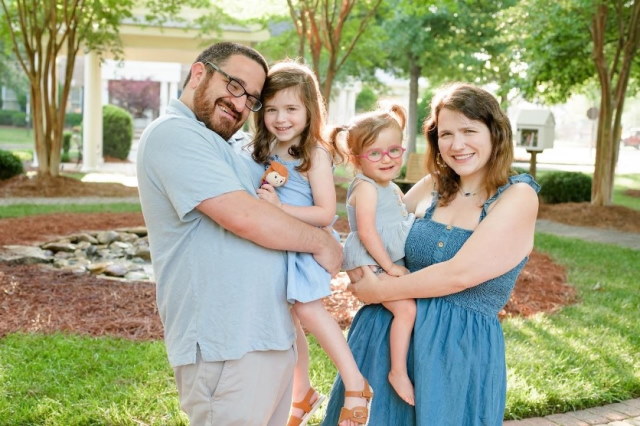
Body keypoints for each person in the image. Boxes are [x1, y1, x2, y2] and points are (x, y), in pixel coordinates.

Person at [136, 42, 343, 426]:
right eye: (234, 85)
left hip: (270, 338)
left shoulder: (229, 146)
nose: (241, 102)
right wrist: (322, 242)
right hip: (227, 346)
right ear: (199, 74)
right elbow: (249, 218)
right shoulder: (173, 134)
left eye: (251, 98)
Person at [322, 82, 540, 425]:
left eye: (469, 130)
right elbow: (375, 229)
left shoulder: (518, 196)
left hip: (455, 353)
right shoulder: (433, 184)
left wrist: (379, 290)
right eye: (446, 134)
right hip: (383, 337)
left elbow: (460, 275)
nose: (457, 144)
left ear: (496, 133)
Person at [249, 60, 372, 426]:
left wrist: (279, 207)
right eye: (271, 109)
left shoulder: (314, 153)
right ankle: (301, 393)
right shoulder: (266, 146)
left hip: (307, 247)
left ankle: (355, 383)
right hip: (281, 247)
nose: (280, 118)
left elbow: (324, 213)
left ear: (309, 111)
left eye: (290, 109)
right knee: (290, 321)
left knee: (308, 311)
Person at [328, 104, 417, 406]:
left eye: (394, 150)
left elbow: (403, 213)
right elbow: (366, 232)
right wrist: (389, 266)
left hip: (377, 258)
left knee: (404, 308)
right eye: (375, 153)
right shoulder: (365, 188)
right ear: (356, 159)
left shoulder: (386, 185)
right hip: (368, 259)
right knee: (406, 310)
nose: (387, 159)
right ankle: (398, 372)